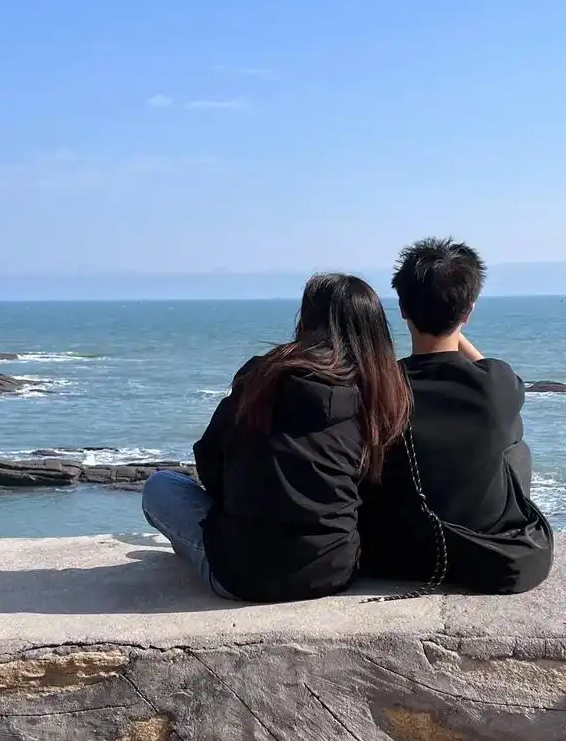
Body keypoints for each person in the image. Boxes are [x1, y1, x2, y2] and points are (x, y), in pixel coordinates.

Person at [142, 273, 411, 602]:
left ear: (307, 321)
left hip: (241, 577)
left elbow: (210, 462)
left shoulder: (262, 375)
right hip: (334, 571)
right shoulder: (381, 395)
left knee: (161, 486)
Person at [359, 237, 554, 593]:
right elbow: (497, 375)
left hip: (396, 553)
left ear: (402, 309)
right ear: (469, 312)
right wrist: (458, 329)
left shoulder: (379, 386)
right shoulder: (495, 384)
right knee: (515, 445)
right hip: (481, 556)